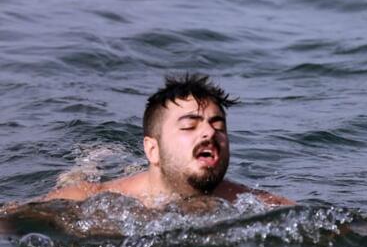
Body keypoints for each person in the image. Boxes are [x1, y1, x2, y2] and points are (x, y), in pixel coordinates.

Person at [35, 73, 291, 208]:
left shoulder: (254, 203)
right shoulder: (91, 199)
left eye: (217, 125)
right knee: (80, 176)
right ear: (152, 149)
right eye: (189, 125)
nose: (209, 133)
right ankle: (95, 159)